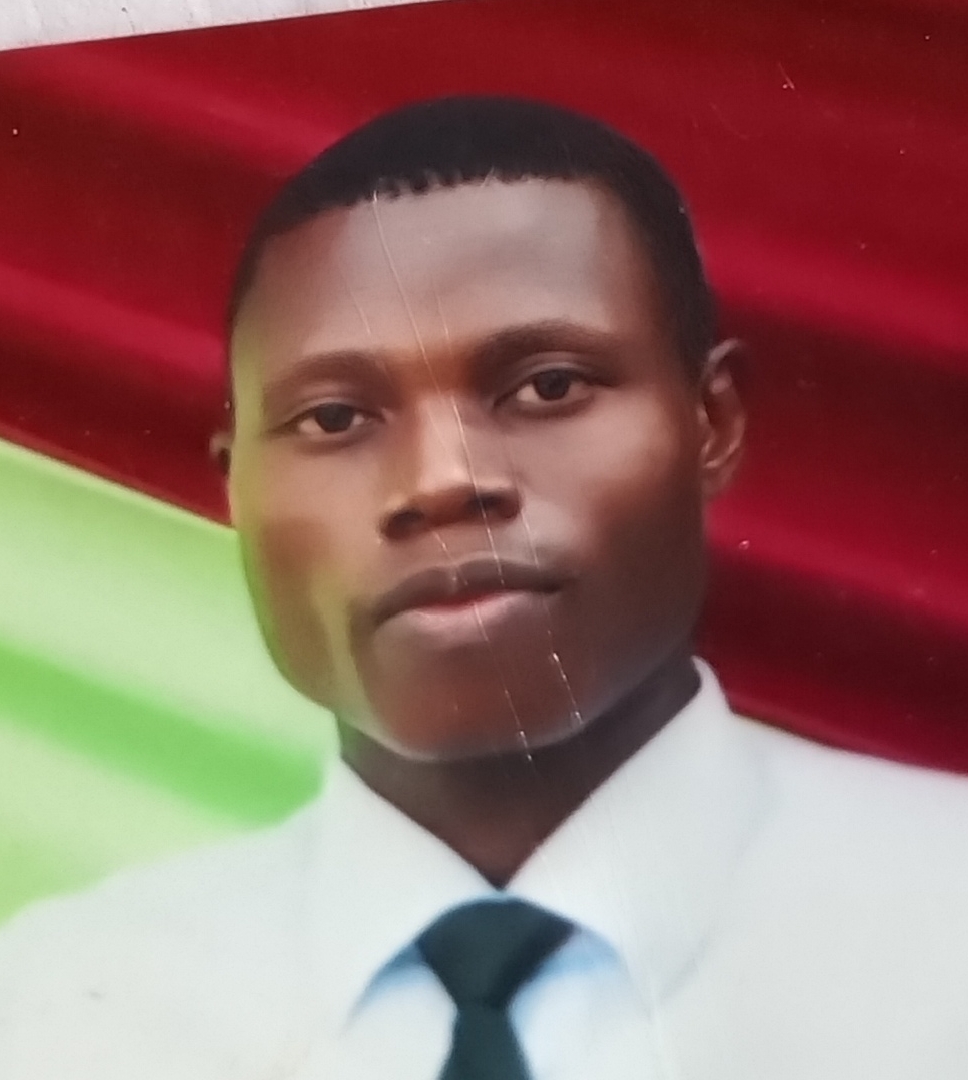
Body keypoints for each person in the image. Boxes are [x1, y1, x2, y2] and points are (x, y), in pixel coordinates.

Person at [1, 95, 967, 1080]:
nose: (440, 480)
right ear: (234, 487)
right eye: (333, 419)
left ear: (710, 422)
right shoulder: (53, 1009)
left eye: (548, 386)